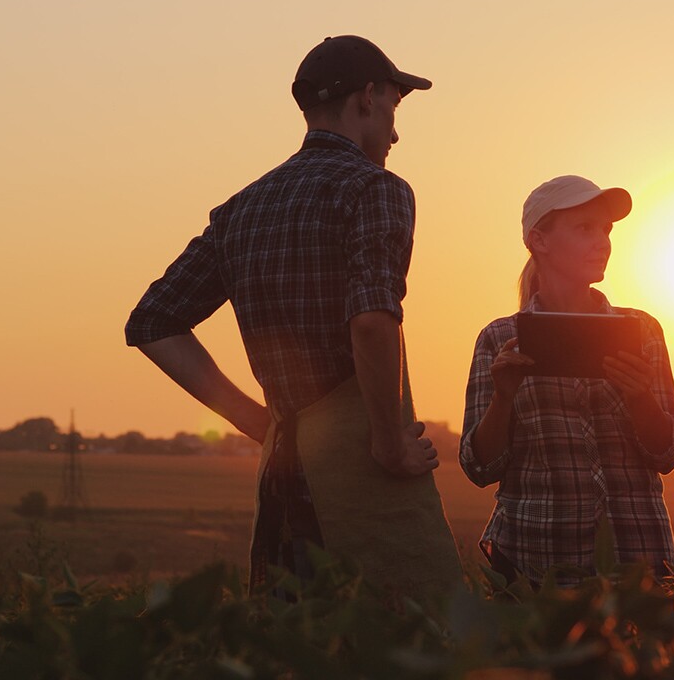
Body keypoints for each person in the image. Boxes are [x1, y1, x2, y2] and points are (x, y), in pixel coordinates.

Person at [124, 35, 461, 602]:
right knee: (402, 641)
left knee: (295, 647)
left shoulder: (241, 208)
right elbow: (373, 321)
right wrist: (388, 442)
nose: (396, 133)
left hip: (283, 481)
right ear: (368, 97)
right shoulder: (375, 188)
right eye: (394, 110)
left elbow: (153, 322)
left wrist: (258, 421)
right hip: (363, 484)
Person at [459, 175, 674, 586]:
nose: (603, 241)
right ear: (539, 240)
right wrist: (503, 399)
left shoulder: (643, 331)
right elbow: (479, 467)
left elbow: (667, 453)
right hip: (534, 568)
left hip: (639, 565)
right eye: (585, 228)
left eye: (606, 229)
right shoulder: (498, 339)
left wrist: (639, 398)